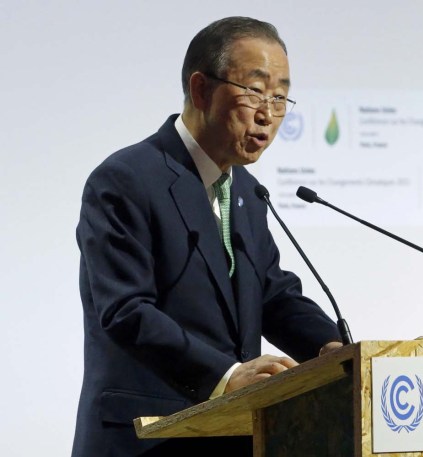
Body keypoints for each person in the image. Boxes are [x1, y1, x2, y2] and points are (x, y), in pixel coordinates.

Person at [72, 17, 342, 457]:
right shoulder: (124, 180)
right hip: (146, 439)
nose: (268, 114)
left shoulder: (246, 194)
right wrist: (227, 375)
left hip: (230, 437)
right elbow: (126, 310)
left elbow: (271, 295)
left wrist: (331, 349)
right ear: (200, 90)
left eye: (279, 97)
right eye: (255, 91)